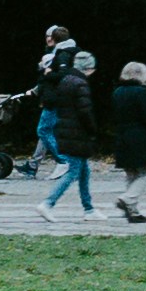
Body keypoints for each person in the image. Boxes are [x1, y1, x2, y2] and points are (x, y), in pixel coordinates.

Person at [34, 29, 95, 217]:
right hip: (76, 133)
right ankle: (48, 203)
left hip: (71, 131)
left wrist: (46, 73)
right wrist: (92, 130)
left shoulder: (67, 76)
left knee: (84, 171)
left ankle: (89, 209)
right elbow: (84, 111)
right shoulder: (79, 82)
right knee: (73, 172)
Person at [104, 53, 146, 226]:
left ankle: (133, 211)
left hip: (122, 134)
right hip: (139, 135)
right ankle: (128, 199)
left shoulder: (117, 92)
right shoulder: (141, 93)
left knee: (131, 173)